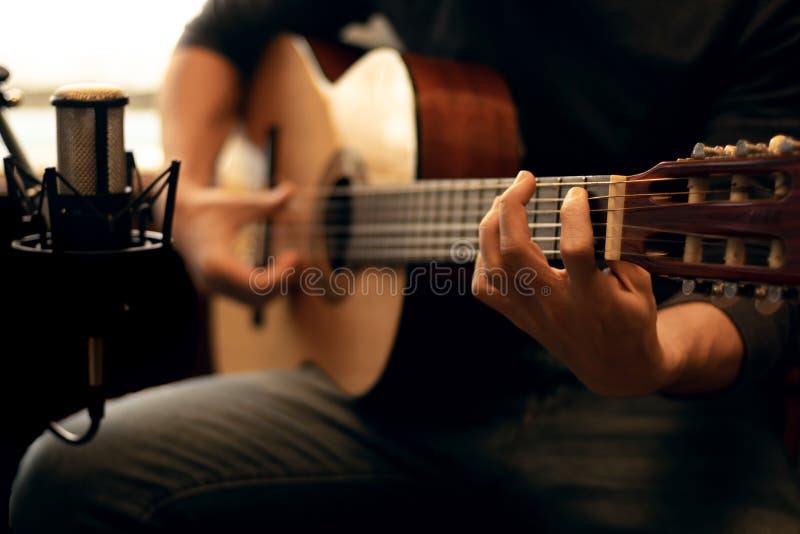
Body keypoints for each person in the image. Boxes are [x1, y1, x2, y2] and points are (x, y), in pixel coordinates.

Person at [10, 1, 800, 531]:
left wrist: (651, 356)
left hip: (640, 406)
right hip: (386, 395)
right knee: (68, 478)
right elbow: (220, 34)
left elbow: (758, 294)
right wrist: (193, 198)